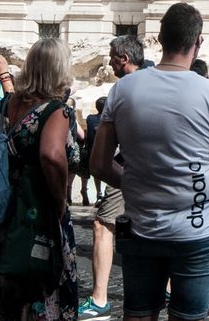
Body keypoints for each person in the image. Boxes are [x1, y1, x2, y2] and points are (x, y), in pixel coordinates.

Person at [91, 2, 209, 321]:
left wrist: (135, 181)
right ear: (198, 41)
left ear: (158, 39)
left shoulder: (122, 90)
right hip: (198, 229)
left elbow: (100, 165)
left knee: (138, 314)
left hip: (141, 226)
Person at [0, 38, 79, 321]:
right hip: (35, 216)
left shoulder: (7, 104)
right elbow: (51, 156)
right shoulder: (56, 111)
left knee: (1, 297)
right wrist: (59, 200)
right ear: (60, 70)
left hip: (0, 214)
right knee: (37, 288)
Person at [78, 33, 142, 319]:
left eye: (112, 57)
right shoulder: (157, 82)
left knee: (103, 226)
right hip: (155, 171)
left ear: (124, 59)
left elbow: (102, 158)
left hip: (127, 166)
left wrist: (114, 174)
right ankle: (162, 287)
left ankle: (100, 299)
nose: (110, 62)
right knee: (135, 229)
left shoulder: (122, 89)